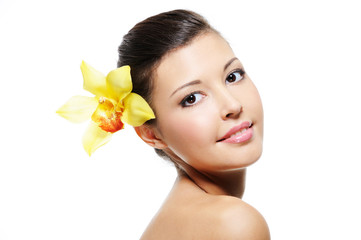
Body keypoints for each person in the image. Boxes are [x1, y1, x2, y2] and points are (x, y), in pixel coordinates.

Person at [117, 9, 270, 239]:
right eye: (192, 98)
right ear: (150, 134)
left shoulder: (173, 221)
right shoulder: (231, 222)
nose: (233, 105)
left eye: (233, 76)